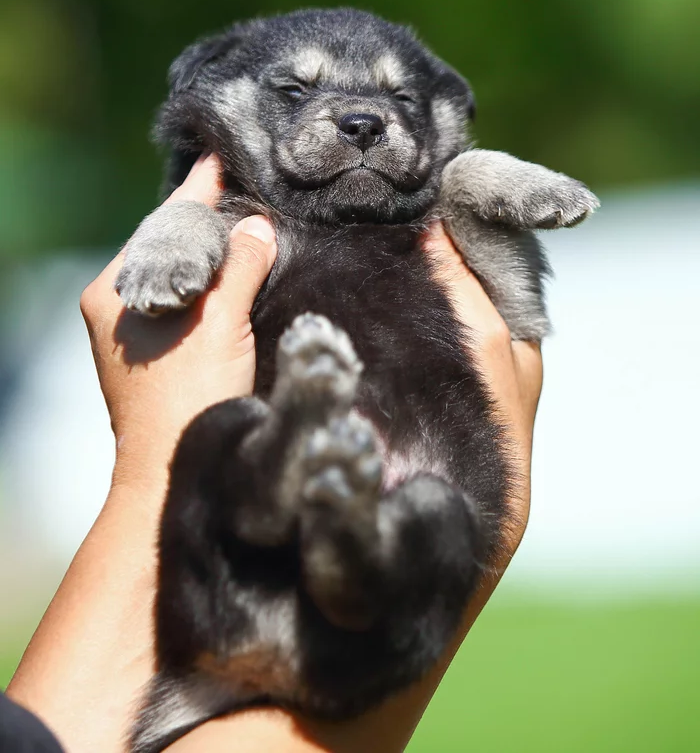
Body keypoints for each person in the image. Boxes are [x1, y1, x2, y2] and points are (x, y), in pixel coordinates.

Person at [6, 155, 542, 753]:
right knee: (414, 504)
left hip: (225, 615)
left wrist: (151, 473)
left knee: (245, 438)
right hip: (329, 606)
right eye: (294, 89)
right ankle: (341, 537)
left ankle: (307, 490)